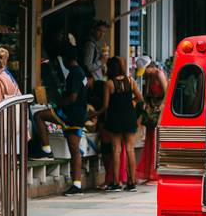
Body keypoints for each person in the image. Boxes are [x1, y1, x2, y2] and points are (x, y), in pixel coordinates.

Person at [32, 44, 88, 196]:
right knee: (74, 149)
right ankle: (76, 185)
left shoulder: (74, 74)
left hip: (69, 114)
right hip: (79, 115)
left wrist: (56, 105)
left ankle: (46, 150)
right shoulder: (81, 73)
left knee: (38, 116)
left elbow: (72, 97)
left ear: (66, 59)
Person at [98, 56, 143, 192]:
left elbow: (105, 106)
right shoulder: (131, 80)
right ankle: (132, 182)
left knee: (116, 149)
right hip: (129, 116)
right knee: (130, 149)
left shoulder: (109, 84)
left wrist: (95, 113)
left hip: (114, 117)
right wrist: (130, 103)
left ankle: (116, 182)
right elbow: (140, 98)